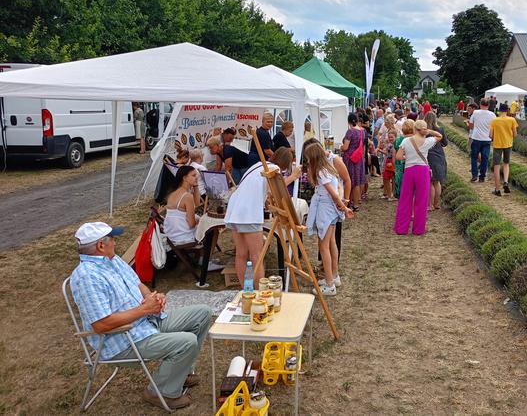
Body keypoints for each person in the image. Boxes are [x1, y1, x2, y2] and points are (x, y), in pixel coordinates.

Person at [70, 221, 212, 410]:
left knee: (203, 313)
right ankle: (160, 392)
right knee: (187, 342)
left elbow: (137, 284)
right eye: (112, 239)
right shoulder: (87, 277)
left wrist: (152, 297)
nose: (115, 242)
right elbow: (102, 325)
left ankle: (179, 372)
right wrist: (145, 310)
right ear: (100, 245)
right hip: (124, 339)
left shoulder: (112, 260)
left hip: (146, 322)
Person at [224, 148, 294, 286]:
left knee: (241, 254)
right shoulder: (273, 169)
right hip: (249, 212)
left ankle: (245, 290)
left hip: (234, 209)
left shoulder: (258, 165)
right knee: (257, 256)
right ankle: (257, 292)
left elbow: (257, 189)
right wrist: (294, 176)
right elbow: (276, 189)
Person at [304, 143, 354, 296]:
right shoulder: (328, 169)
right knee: (331, 243)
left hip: (326, 211)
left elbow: (333, 193)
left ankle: (329, 284)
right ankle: (334, 276)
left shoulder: (321, 172)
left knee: (323, 246)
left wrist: (344, 207)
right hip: (331, 210)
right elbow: (337, 188)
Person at [393, 120, 442, 235]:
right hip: (423, 171)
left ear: (414, 129)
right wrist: (429, 131)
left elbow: (399, 157)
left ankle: (401, 228)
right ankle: (418, 229)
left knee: (405, 199)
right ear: (424, 130)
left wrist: (408, 157)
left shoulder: (406, 141)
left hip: (409, 170)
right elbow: (440, 136)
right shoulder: (428, 141)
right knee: (421, 200)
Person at [163, 165, 201, 245]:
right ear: (184, 178)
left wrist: (196, 186)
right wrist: (199, 220)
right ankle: (205, 257)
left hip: (171, 235)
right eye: (193, 175)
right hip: (184, 237)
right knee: (211, 230)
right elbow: (191, 224)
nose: (196, 177)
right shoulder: (187, 196)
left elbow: (197, 204)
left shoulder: (172, 193)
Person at [489, 103, 518, 196]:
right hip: (508, 145)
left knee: (496, 166)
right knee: (506, 164)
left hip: (497, 145)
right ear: (507, 111)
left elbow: (490, 135)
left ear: (499, 111)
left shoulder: (494, 120)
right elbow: (515, 135)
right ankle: (505, 181)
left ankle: (497, 189)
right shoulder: (512, 120)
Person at [341, 113, 365, 211]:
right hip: (358, 159)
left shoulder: (350, 132)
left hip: (350, 159)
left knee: (349, 181)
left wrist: (341, 147)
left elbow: (345, 147)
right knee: (357, 182)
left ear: (348, 121)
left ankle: (347, 203)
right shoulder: (362, 131)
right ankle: (355, 204)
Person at [424, 111, 448, 210]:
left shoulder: (424, 131)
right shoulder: (440, 129)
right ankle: (437, 203)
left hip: (428, 156)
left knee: (430, 181)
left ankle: (430, 205)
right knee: (437, 181)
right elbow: (445, 143)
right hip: (439, 155)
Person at [468, 98, 495, 183]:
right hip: (487, 139)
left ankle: (474, 175)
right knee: (485, 158)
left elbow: (471, 126)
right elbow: (494, 127)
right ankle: (482, 176)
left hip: (476, 138)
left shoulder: (475, 113)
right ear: (488, 105)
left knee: (474, 157)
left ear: (480, 104)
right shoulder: (492, 115)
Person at [393, 119, 414, 198]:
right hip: (411, 167)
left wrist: (394, 166)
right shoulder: (416, 140)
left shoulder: (398, 140)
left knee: (402, 193)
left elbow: (394, 155)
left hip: (400, 168)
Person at [380, 130, 397, 200]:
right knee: (390, 178)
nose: (390, 138)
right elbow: (387, 154)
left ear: (395, 137)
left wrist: (394, 165)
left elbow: (393, 156)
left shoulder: (394, 145)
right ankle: (391, 194)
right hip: (388, 162)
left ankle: (391, 195)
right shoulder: (390, 145)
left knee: (389, 179)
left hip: (391, 163)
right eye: (389, 137)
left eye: (392, 137)